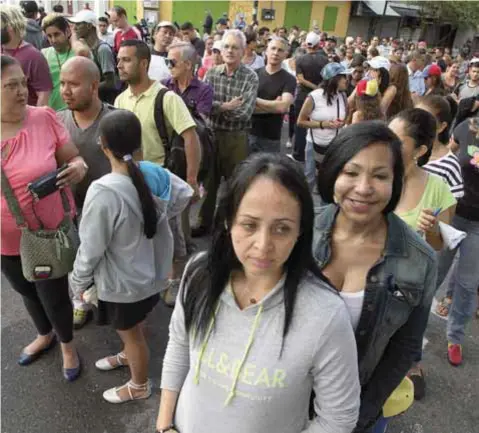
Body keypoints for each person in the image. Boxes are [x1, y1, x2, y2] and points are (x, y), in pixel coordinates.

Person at [156, 153, 360, 433]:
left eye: (282, 229)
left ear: (301, 230)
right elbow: (179, 346)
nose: (263, 245)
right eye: (249, 225)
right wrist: (164, 425)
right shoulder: (199, 274)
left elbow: (338, 420)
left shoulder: (324, 315)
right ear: (228, 221)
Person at [313, 122, 438, 433]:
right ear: (333, 173)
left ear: (396, 182)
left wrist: (363, 413)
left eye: (380, 175)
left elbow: (406, 345)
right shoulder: (298, 230)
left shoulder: (419, 260)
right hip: (280, 397)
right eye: (351, 172)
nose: (364, 187)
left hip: (359, 408)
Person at [69, 109, 172, 403]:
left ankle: (139, 385)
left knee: (132, 333)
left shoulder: (103, 191)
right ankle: (128, 355)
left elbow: (90, 247)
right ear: (139, 144)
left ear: (103, 145)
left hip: (123, 285)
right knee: (136, 327)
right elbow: (183, 196)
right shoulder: (153, 175)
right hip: (148, 277)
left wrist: (77, 282)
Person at [1, 55, 86, 381]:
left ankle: (67, 344)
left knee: (52, 292)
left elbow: (73, 159)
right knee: (24, 288)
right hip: (5, 238)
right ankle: (44, 333)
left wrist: (78, 167)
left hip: (46, 232)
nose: (22, 90)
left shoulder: (43, 118)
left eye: (23, 82)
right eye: (11, 86)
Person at [192, 30, 259, 237]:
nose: (230, 51)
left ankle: (231, 225)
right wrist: (225, 107)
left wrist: (217, 109)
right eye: (227, 46)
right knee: (209, 182)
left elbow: (245, 113)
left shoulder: (251, 77)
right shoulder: (211, 73)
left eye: (235, 47)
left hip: (236, 138)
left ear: (243, 51)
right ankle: (204, 222)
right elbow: (202, 106)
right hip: (211, 135)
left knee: (235, 183)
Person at [115, 40, 200, 195]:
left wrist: (191, 180)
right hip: (130, 177)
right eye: (118, 60)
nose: (119, 65)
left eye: (126, 60)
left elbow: (191, 137)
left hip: (160, 178)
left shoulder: (167, 98)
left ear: (143, 64)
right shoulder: (120, 99)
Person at [434, 115, 479, 366]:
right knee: (434, 272)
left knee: (468, 284)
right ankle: (408, 327)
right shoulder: (466, 127)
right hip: (451, 214)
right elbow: (445, 158)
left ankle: (455, 337)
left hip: (477, 225)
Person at [297, 63, 348, 191]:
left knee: (328, 180)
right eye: (344, 77)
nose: (347, 80)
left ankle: (326, 209)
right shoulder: (314, 96)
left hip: (335, 145)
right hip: (313, 144)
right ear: (334, 79)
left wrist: (342, 123)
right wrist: (323, 124)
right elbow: (301, 122)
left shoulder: (342, 95)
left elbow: (345, 116)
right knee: (309, 178)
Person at [250, 37, 295, 153]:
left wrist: (255, 100)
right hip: (249, 133)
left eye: (280, 50)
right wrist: (274, 106)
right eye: (273, 48)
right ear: (266, 51)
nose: (276, 53)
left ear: (286, 55)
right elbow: (246, 106)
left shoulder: (289, 79)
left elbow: (283, 107)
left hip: (272, 138)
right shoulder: (254, 75)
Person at [1, 4, 52, 106]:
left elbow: (43, 95)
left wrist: (35, 121)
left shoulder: (34, 57)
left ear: (10, 27)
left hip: (23, 119)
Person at [417, 95, 464, 200]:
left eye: (426, 121)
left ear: (442, 126)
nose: (418, 124)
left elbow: (452, 207)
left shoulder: (450, 165)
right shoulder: (407, 152)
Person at [292, 31, 328, 163]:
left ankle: (298, 155)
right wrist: (318, 88)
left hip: (303, 96)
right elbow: (327, 78)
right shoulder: (325, 60)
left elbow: (300, 79)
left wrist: (313, 87)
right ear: (318, 44)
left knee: (300, 126)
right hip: (319, 97)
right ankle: (313, 155)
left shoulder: (300, 59)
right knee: (315, 124)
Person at [67, 10, 117, 104]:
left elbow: (110, 82)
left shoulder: (103, 49)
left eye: (79, 24)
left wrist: (86, 89)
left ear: (89, 26)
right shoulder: (84, 47)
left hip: (104, 103)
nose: (75, 28)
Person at [162, 42, 214, 116]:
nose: (169, 66)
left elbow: (199, 124)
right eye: (166, 61)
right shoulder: (163, 85)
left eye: (171, 62)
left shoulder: (204, 91)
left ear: (188, 64)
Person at [41, 15, 76, 111]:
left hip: (75, 111)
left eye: (57, 34)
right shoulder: (44, 54)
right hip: (52, 111)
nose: (53, 40)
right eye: (49, 36)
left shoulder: (78, 53)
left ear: (68, 32)